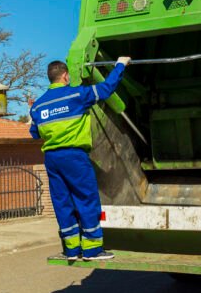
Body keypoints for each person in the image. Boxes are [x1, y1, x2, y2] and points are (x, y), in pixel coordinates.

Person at [29, 57, 130, 261]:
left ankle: (72, 249)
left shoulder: (38, 106)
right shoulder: (77, 94)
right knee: (86, 198)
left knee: (62, 201)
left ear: (50, 78)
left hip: (52, 159)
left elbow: (34, 133)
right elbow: (106, 89)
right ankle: (92, 249)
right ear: (65, 76)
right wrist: (121, 64)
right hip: (74, 156)